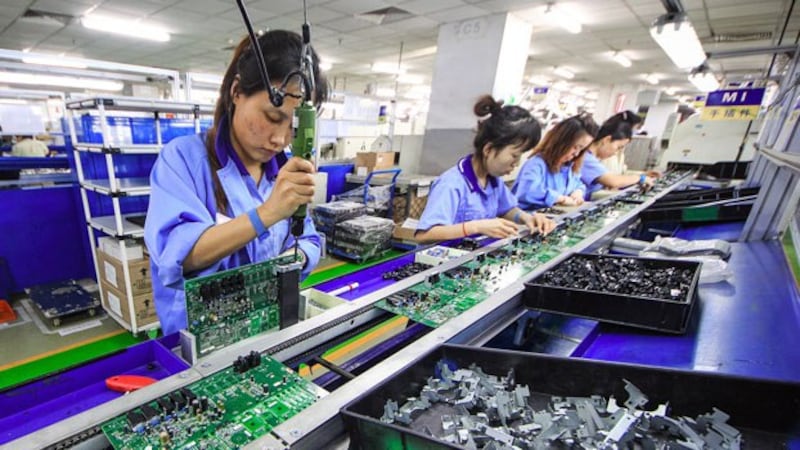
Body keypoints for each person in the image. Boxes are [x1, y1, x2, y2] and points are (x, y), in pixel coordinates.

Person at [144, 30, 327, 335]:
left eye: (292, 126)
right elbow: (177, 258)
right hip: (202, 340)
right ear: (237, 92)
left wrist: (292, 260)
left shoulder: (283, 170)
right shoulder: (184, 160)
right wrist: (267, 214)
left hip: (268, 327)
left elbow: (307, 238)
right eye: (272, 116)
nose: (280, 139)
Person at [415, 95, 555, 242]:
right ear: (488, 149)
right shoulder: (451, 184)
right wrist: (476, 227)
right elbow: (425, 235)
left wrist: (527, 218)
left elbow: (507, 209)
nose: (517, 164)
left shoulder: (493, 181)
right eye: (514, 156)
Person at [512, 114, 598, 210]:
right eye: (575, 147)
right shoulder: (536, 164)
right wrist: (561, 199)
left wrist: (578, 192)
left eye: (581, 149)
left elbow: (577, 183)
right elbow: (527, 192)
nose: (576, 154)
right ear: (561, 142)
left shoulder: (568, 167)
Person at [581, 118, 656, 197]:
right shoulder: (586, 158)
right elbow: (614, 181)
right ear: (607, 140)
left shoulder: (594, 158)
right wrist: (641, 178)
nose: (616, 153)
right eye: (618, 147)